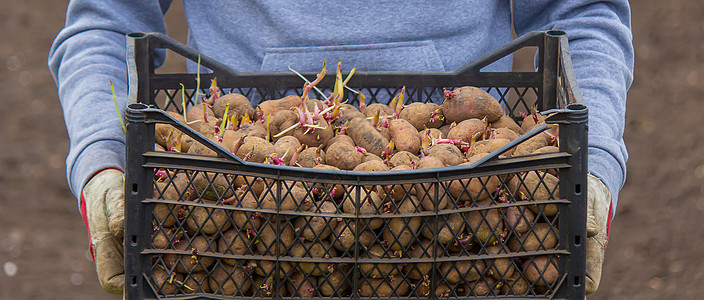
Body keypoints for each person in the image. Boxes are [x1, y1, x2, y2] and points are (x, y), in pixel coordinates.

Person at [48, 0, 633, 296]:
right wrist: (103, 157)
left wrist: (594, 165)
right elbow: (108, 18)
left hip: (463, 217)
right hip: (240, 214)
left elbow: (580, 11)